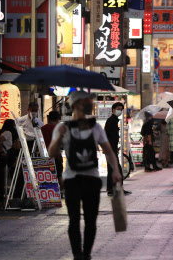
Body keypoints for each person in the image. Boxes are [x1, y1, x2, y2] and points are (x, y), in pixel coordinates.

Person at [48, 91, 122, 260]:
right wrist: (58, 138)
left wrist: (116, 171)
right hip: (72, 179)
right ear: (74, 105)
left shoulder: (95, 127)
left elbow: (109, 151)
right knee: (74, 219)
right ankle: (77, 254)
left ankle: (86, 254)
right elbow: (52, 153)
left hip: (92, 179)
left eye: (88, 103)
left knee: (91, 220)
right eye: (83, 103)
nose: (87, 106)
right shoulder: (62, 127)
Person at [104, 102, 131, 196]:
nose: (119, 111)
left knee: (113, 169)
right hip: (110, 149)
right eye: (118, 109)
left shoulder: (114, 120)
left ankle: (113, 189)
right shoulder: (111, 120)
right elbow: (107, 135)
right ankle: (115, 189)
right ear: (113, 109)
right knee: (116, 169)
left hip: (113, 148)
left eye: (121, 109)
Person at [0, 119, 20, 203]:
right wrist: (2, 151)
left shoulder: (7, 132)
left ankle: (3, 195)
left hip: (5, 155)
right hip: (5, 155)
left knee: (4, 175)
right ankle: (6, 195)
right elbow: (0, 140)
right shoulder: (8, 132)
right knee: (7, 173)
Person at [42, 111, 64, 189]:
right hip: (56, 156)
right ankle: (62, 192)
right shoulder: (58, 129)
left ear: (48, 118)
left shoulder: (42, 129)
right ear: (58, 119)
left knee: (47, 176)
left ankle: (48, 191)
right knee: (59, 175)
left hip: (44, 156)